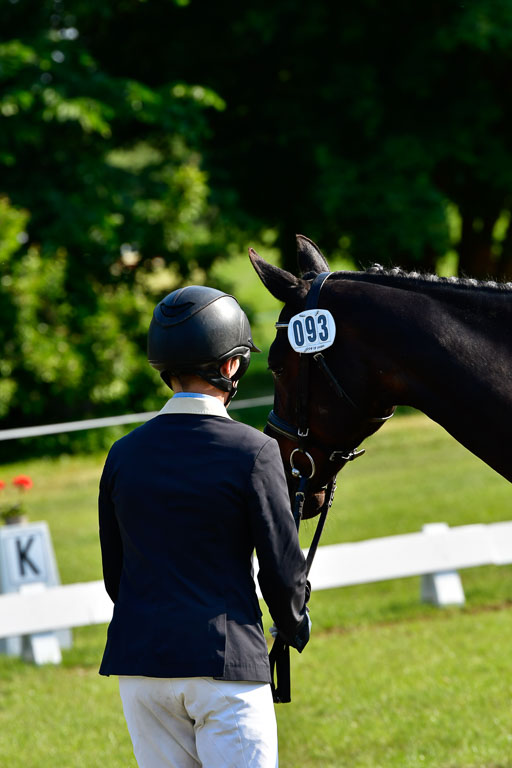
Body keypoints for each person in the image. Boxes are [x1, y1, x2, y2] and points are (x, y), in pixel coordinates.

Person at [98, 285, 310, 768]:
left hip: (142, 668)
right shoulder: (253, 451)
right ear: (232, 365)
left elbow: (118, 577)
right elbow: (280, 569)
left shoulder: (122, 455)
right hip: (225, 665)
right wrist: (296, 622)